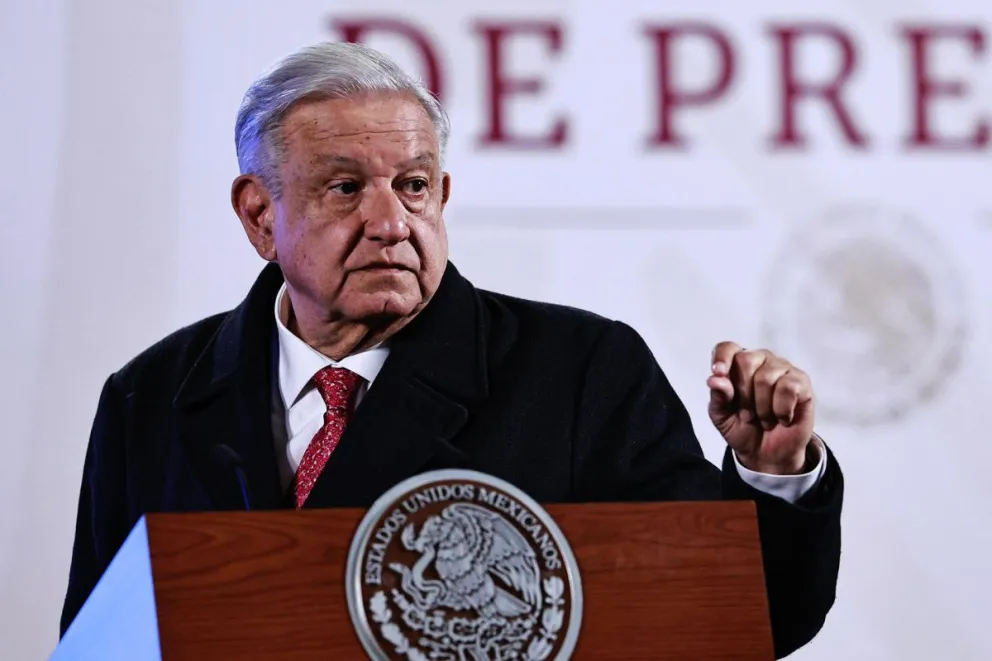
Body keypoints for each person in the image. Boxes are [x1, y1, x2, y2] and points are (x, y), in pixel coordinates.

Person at [60, 41, 842, 658]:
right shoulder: (152, 396)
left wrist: (772, 476)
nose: (392, 222)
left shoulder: (577, 370)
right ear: (260, 214)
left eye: (413, 184)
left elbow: (737, 616)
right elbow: (97, 644)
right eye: (344, 188)